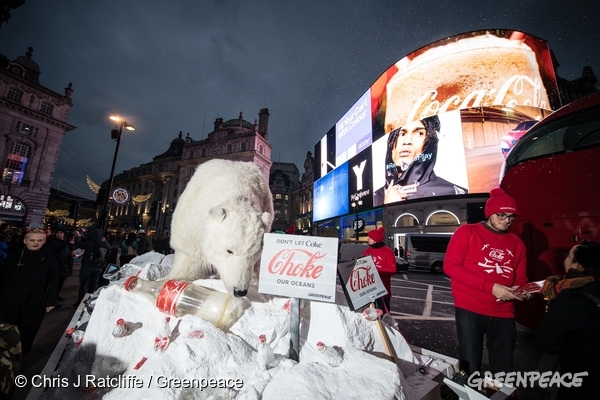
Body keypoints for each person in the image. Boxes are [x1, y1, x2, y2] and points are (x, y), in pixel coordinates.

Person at [444, 188, 529, 374]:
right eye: (501, 215)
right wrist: (491, 287)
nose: (506, 220)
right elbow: (451, 266)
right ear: (490, 213)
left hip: (504, 312)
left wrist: (521, 289)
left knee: (504, 366)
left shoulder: (517, 242)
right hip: (469, 308)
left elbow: (520, 276)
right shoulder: (467, 232)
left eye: (511, 217)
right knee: (469, 363)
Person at [536, 241, 600, 399]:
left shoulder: (571, 299)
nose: (565, 259)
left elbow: (547, 342)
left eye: (568, 256)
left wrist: (552, 305)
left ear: (577, 266)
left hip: (583, 382)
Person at [374, 115, 467, 205]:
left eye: (419, 133)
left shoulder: (454, 193)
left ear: (430, 142)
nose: (407, 141)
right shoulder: (375, 197)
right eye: (402, 134)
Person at [0, 228, 58, 355]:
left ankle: (19, 362)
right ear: (25, 240)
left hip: (34, 302)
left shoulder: (49, 259)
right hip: (10, 301)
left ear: (44, 241)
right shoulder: (14, 257)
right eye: (32, 240)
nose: (35, 243)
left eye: (40, 240)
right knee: (6, 333)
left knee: (26, 335)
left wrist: (51, 301)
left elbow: (53, 281)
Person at [361, 227, 396, 312]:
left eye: (370, 237)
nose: (368, 239)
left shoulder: (388, 252)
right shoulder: (366, 251)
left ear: (375, 239)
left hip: (382, 288)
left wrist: (375, 271)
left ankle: (385, 325)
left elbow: (392, 269)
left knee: (383, 311)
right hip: (368, 287)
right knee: (368, 312)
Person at [43, 227, 71, 301]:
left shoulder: (65, 243)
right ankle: (50, 299)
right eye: (58, 233)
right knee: (53, 284)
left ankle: (55, 297)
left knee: (59, 283)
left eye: (61, 233)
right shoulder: (52, 243)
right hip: (56, 266)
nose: (59, 234)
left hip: (63, 266)